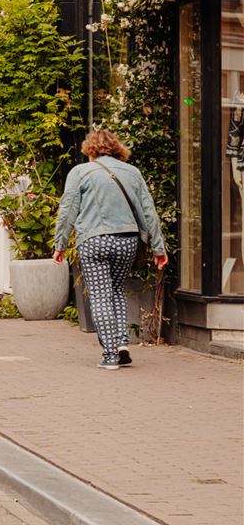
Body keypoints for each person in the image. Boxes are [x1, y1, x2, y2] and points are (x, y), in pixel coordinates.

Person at [53, 129, 167, 370]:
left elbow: (67, 211)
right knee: (116, 290)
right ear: (117, 148)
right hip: (127, 241)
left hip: (94, 241)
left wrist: (60, 244)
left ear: (89, 149)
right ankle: (122, 344)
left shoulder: (81, 172)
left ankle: (110, 355)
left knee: (100, 295)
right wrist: (158, 247)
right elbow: (149, 212)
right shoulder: (133, 173)